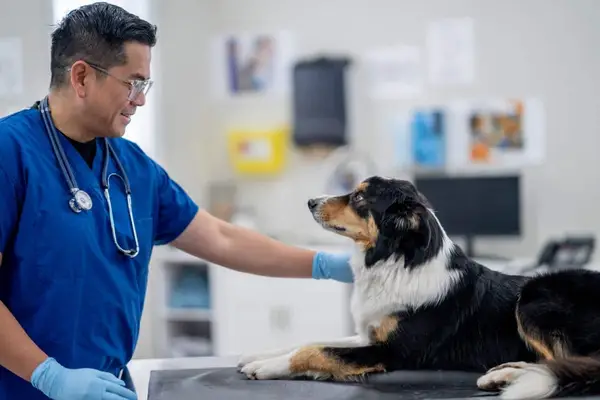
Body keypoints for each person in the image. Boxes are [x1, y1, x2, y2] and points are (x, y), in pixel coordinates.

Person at [0, 3, 353, 399]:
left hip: (107, 389)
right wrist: (48, 375)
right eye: (132, 83)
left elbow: (220, 237)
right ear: (81, 76)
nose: (140, 100)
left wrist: (325, 265)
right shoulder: (10, 153)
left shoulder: (132, 167)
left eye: (145, 85)